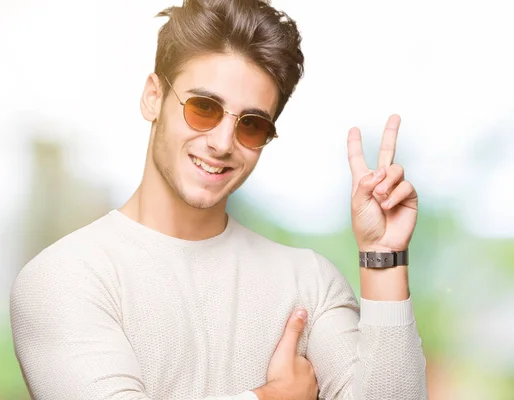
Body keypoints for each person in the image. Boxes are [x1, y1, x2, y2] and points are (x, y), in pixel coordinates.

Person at [10, 0, 427, 399]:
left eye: (251, 125)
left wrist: (383, 257)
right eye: (204, 107)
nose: (223, 143)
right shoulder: (64, 276)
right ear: (153, 97)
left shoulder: (309, 282)